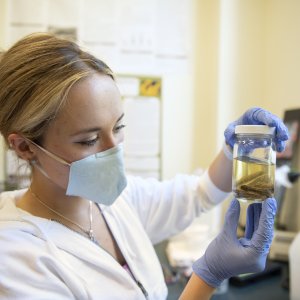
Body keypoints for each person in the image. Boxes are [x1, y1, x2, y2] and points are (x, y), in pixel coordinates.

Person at [0, 33, 288, 300]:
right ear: (25, 147)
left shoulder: (114, 199)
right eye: (89, 140)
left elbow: (199, 194)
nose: (115, 150)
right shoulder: (15, 260)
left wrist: (234, 147)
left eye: (119, 126)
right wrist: (208, 276)